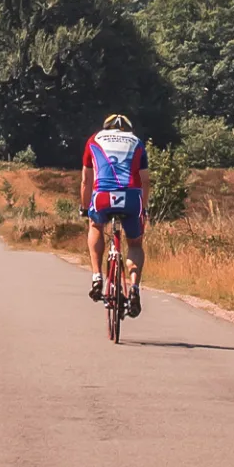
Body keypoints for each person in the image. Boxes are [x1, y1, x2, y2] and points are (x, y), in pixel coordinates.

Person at [81, 114, 147, 317]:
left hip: (102, 196)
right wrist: (143, 209)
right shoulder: (137, 142)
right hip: (130, 199)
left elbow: (86, 180)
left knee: (95, 226)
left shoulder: (94, 139)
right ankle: (134, 288)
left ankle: (96, 277)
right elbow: (145, 181)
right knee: (135, 244)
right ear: (128, 129)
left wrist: (84, 208)